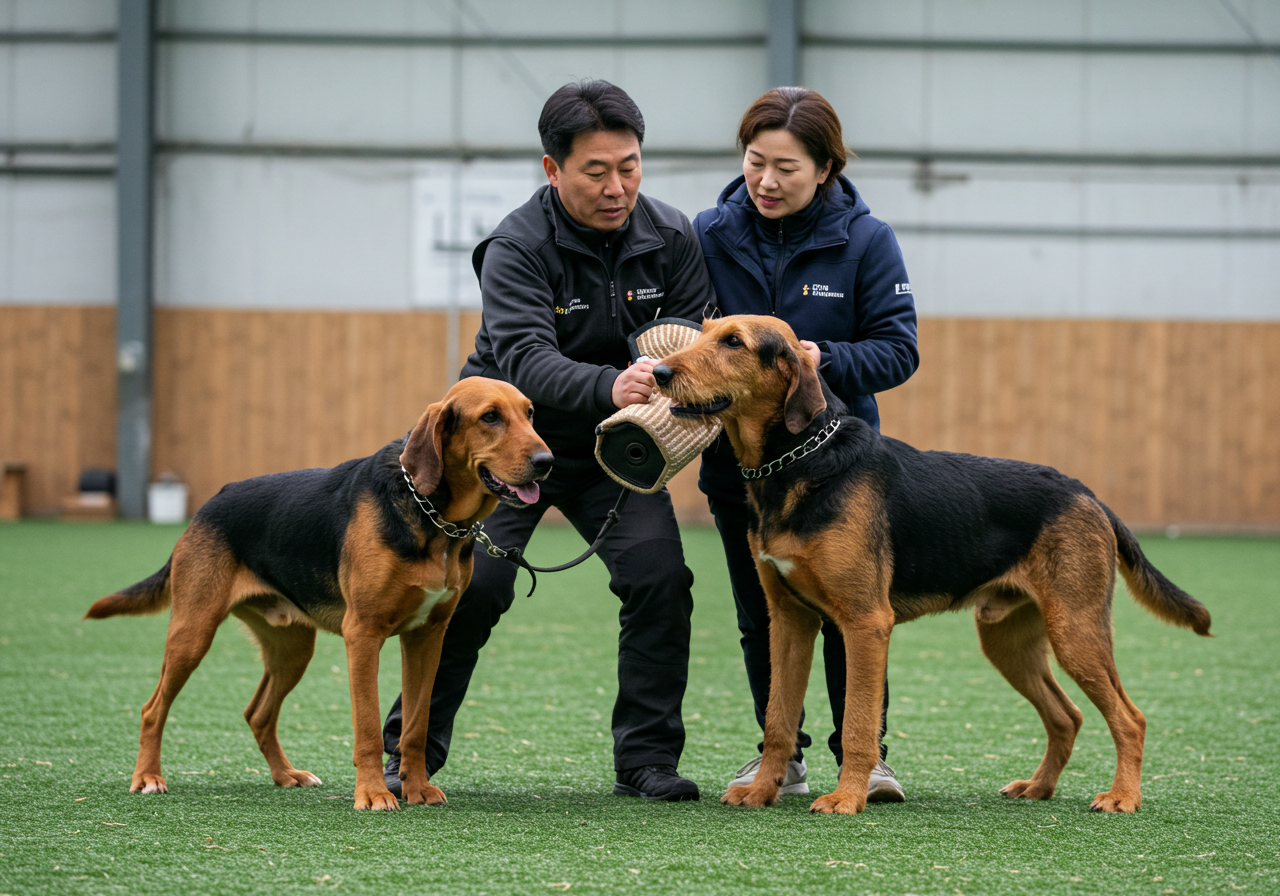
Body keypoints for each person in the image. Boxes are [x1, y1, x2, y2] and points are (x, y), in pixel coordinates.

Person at [381, 80, 716, 801]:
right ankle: (407, 755)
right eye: (596, 171)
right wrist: (610, 386)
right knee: (473, 593)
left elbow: (687, 347)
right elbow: (527, 359)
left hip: (620, 453)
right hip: (504, 450)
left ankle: (647, 762)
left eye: (628, 167)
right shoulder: (514, 247)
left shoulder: (676, 237)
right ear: (551, 169)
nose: (616, 186)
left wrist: (650, 399)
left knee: (660, 579)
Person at [692, 87, 919, 801]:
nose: (765, 181)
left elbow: (898, 349)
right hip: (743, 471)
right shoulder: (706, 233)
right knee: (764, 618)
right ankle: (778, 756)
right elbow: (687, 335)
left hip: (843, 471)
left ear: (825, 167)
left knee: (853, 611)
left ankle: (867, 759)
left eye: (786, 167)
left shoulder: (866, 240)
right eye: (755, 162)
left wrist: (818, 359)